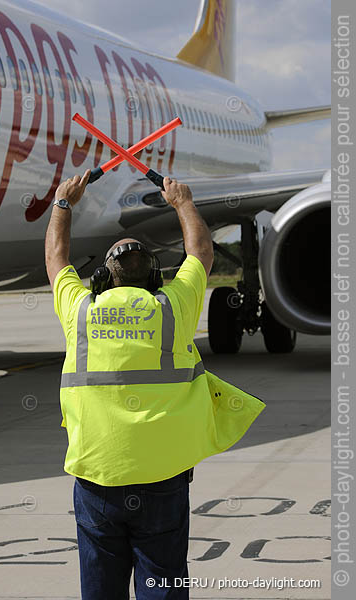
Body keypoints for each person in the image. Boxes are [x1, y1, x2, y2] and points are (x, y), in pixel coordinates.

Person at [45, 170, 265, 599]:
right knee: (163, 585)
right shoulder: (172, 308)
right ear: (153, 279)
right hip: (163, 480)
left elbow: (56, 259)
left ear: (103, 280)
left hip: (97, 480)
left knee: (100, 589)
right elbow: (200, 252)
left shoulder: (81, 311)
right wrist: (182, 201)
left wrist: (63, 203)